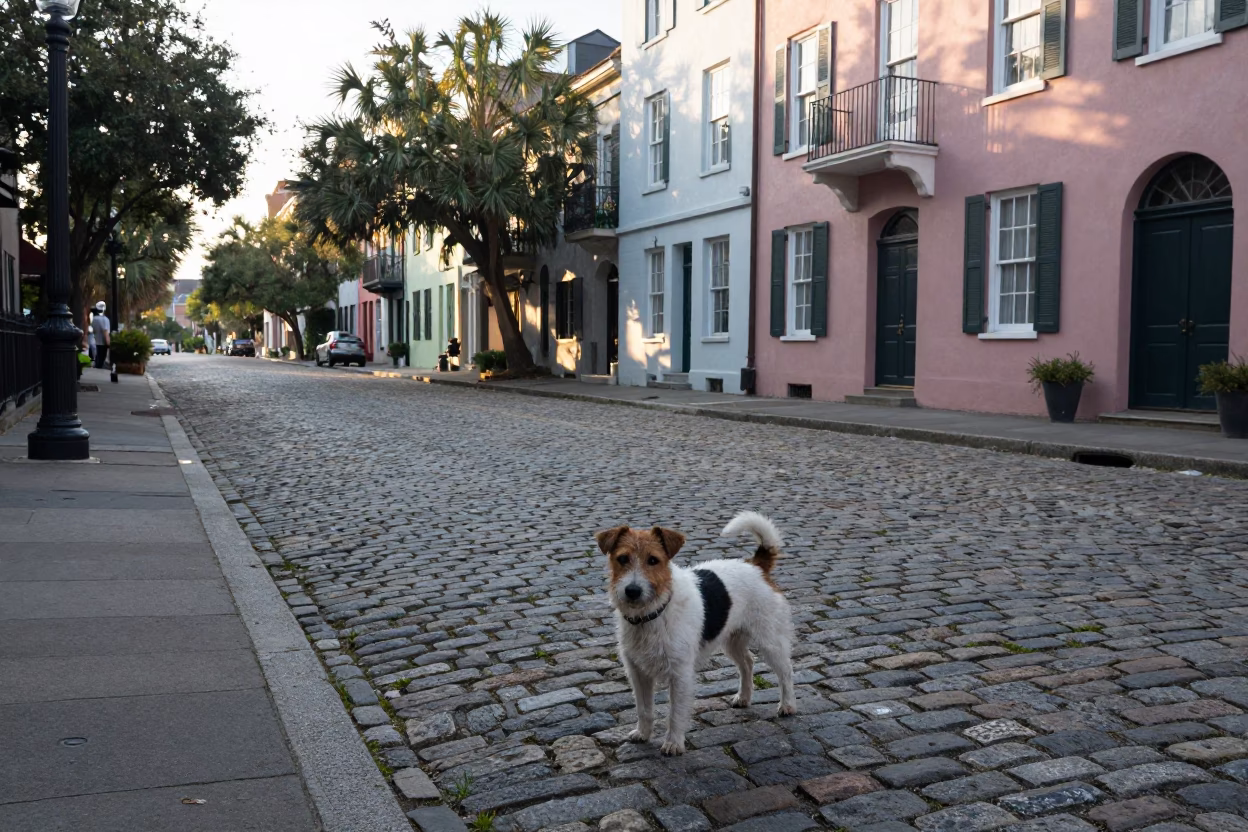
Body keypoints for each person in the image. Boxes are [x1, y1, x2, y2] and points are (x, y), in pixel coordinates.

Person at [91, 301, 111, 369]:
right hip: (103, 343)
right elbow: (105, 331)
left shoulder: (94, 319)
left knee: (98, 357)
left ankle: (96, 368)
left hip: (96, 341)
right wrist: (108, 342)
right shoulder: (105, 319)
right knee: (102, 358)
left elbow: (93, 331)